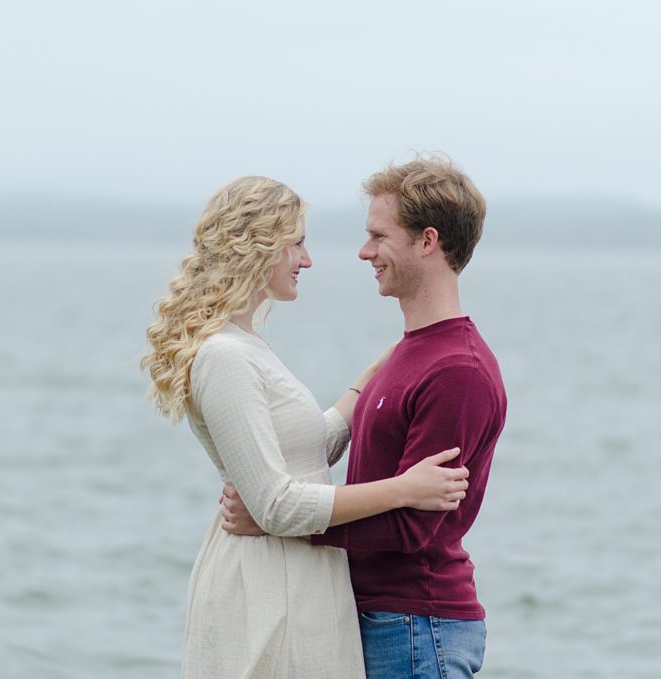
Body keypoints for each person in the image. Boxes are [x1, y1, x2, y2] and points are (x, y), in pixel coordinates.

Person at [141, 176, 472, 679]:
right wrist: (404, 490)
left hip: (301, 577)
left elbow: (309, 451)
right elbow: (275, 505)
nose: (307, 259)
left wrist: (374, 377)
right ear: (259, 245)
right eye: (297, 243)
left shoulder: (244, 344)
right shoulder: (225, 356)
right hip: (268, 588)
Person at [221, 157, 507, 678]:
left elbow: (413, 525)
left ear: (427, 241)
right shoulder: (409, 352)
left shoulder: (456, 370)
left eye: (378, 236)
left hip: (418, 627)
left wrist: (277, 525)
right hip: (383, 620)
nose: (364, 251)